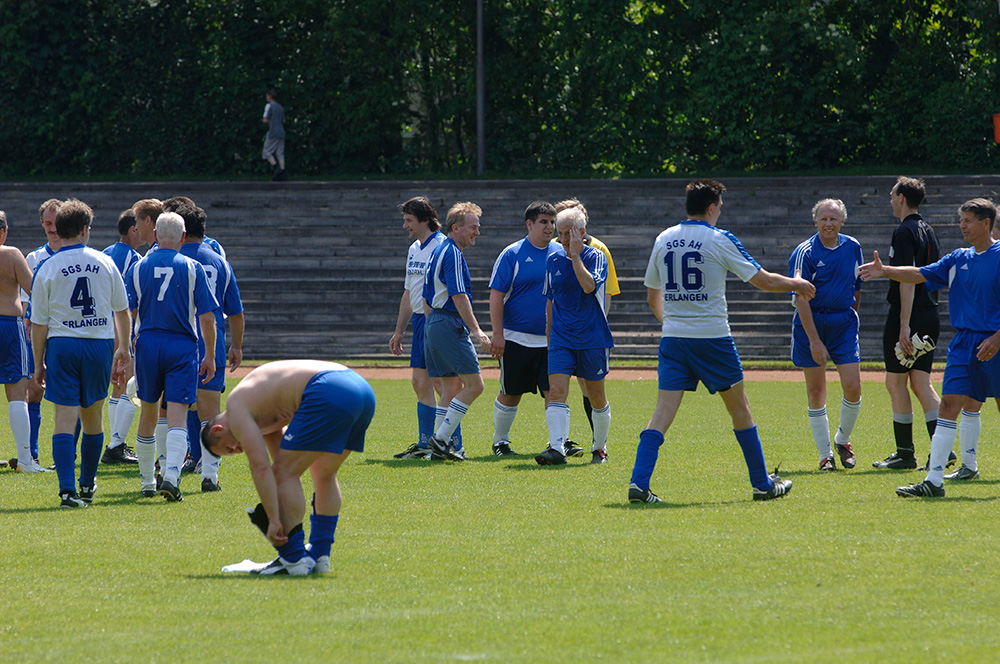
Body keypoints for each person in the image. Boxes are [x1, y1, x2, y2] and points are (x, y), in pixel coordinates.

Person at [628, 179, 815, 503]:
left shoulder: (664, 238)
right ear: (712, 208)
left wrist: (673, 324)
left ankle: (639, 484)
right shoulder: (719, 238)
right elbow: (764, 281)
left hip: (674, 340)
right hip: (712, 339)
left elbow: (651, 296)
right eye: (720, 208)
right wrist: (797, 283)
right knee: (740, 409)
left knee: (661, 414)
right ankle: (762, 484)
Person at [860, 198, 1000, 498]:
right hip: (964, 344)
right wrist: (885, 271)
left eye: (968, 220)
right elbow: (918, 274)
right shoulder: (958, 258)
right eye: (961, 220)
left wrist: (997, 338)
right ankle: (933, 481)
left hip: (996, 342)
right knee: (948, 405)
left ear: (986, 223)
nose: (962, 225)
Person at [201, 360, 375, 575]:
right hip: (360, 389)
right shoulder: (260, 409)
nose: (239, 450)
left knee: (284, 473)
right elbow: (285, 467)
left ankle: (293, 559)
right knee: (324, 473)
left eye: (230, 448)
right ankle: (319, 555)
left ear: (218, 429)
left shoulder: (236, 407)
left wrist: (274, 520)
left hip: (327, 389)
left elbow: (262, 468)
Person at [29, 199, 131, 507]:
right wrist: (123, 347)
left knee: (64, 417)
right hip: (99, 344)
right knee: (93, 418)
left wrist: (38, 364)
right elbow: (122, 310)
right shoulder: (105, 261)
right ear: (85, 229)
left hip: (63, 345)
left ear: (58, 230)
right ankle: (87, 484)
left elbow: (39, 323)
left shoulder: (46, 267)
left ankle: (67, 490)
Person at [123, 212, 218, 501]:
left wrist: (128, 343)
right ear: (182, 237)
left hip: (148, 343)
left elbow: (127, 310)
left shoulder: (138, 267)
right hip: (181, 345)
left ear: (154, 235)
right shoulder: (192, 267)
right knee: (177, 413)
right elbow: (207, 317)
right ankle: (172, 477)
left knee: (148, 412)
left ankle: (147, 481)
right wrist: (210, 355)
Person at [873, 177, 948, 471]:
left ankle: (905, 454)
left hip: (910, 314)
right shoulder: (928, 229)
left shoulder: (904, 231)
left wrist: (904, 325)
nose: (891, 200)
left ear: (902, 198)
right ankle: (943, 450)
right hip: (930, 313)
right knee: (920, 382)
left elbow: (907, 279)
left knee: (895, 382)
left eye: (893, 195)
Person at [535, 205, 615, 465]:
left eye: (568, 233)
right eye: (560, 233)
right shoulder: (553, 260)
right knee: (556, 391)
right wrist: (549, 335)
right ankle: (557, 448)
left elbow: (589, 286)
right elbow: (550, 300)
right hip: (561, 338)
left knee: (596, 396)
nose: (563, 239)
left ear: (581, 232)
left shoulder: (596, 256)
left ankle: (599, 448)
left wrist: (576, 256)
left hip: (592, 338)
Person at [788, 199, 863, 471]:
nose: (828, 223)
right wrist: (814, 340)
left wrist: (851, 318)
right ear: (815, 221)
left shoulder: (853, 247)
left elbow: (857, 286)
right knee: (816, 390)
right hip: (812, 323)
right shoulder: (804, 252)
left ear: (842, 221)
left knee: (853, 387)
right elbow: (800, 299)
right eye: (823, 219)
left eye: (833, 218)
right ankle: (825, 455)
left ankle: (843, 441)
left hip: (843, 321)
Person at [177, 202, 244, 492]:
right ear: (204, 231)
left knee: (171, 412)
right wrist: (237, 346)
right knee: (210, 412)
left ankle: (167, 473)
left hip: (175, 340)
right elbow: (236, 312)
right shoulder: (219, 262)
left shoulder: (167, 258)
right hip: (209, 342)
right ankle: (210, 476)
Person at [388, 197, 458, 459]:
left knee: (442, 384)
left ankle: (452, 444)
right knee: (420, 382)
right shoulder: (414, 248)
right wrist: (399, 331)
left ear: (425, 219)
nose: (405, 225)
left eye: (409, 220)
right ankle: (426, 443)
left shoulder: (443, 246)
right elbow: (409, 291)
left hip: (437, 320)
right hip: (419, 321)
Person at [487, 201, 559, 456]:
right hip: (516, 338)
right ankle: (500, 442)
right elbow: (496, 295)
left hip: (552, 341)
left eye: (552, 222)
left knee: (554, 391)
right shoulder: (512, 253)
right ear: (529, 224)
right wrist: (498, 334)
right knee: (511, 393)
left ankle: (557, 444)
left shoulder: (560, 253)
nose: (549, 227)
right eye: (544, 222)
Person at [422, 201, 491, 461]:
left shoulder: (439, 250)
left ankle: (440, 448)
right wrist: (476, 330)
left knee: (450, 387)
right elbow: (458, 295)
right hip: (448, 323)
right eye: (473, 227)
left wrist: (433, 326)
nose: (477, 232)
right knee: (475, 385)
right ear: (456, 228)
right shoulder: (452, 253)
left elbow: (426, 297)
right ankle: (440, 440)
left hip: (435, 322)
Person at [20, 198, 63, 465]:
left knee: (67, 393)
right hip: (38, 332)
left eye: (56, 223)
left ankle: (66, 454)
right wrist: (28, 324)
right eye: (47, 223)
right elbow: (26, 299)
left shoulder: (74, 256)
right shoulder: (34, 258)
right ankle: (32, 453)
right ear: (41, 223)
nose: (52, 228)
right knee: (34, 390)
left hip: (66, 333)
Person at [100, 209, 143, 465]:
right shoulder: (134, 258)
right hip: (119, 324)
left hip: (101, 325)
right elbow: (126, 300)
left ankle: (115, 442)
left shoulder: (105, 252)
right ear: (133, 230)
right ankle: (116, 444)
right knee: (126, 382)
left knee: (117, 384)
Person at [0, 210, 39, 472]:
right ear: (3, 231)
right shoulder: (12, 254)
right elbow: (33, 288)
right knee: (17, 392)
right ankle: (25, 459)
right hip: (8, 325)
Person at [262, 88, 286, 181]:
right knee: (280, 153)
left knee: (266, 152)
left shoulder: (269, 106)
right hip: (281, 132)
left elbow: (265, 119)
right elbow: (283, 121)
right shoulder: (280, 107)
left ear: (269, 96)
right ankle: (282, 172)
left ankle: (277, 168)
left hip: (273, 132)